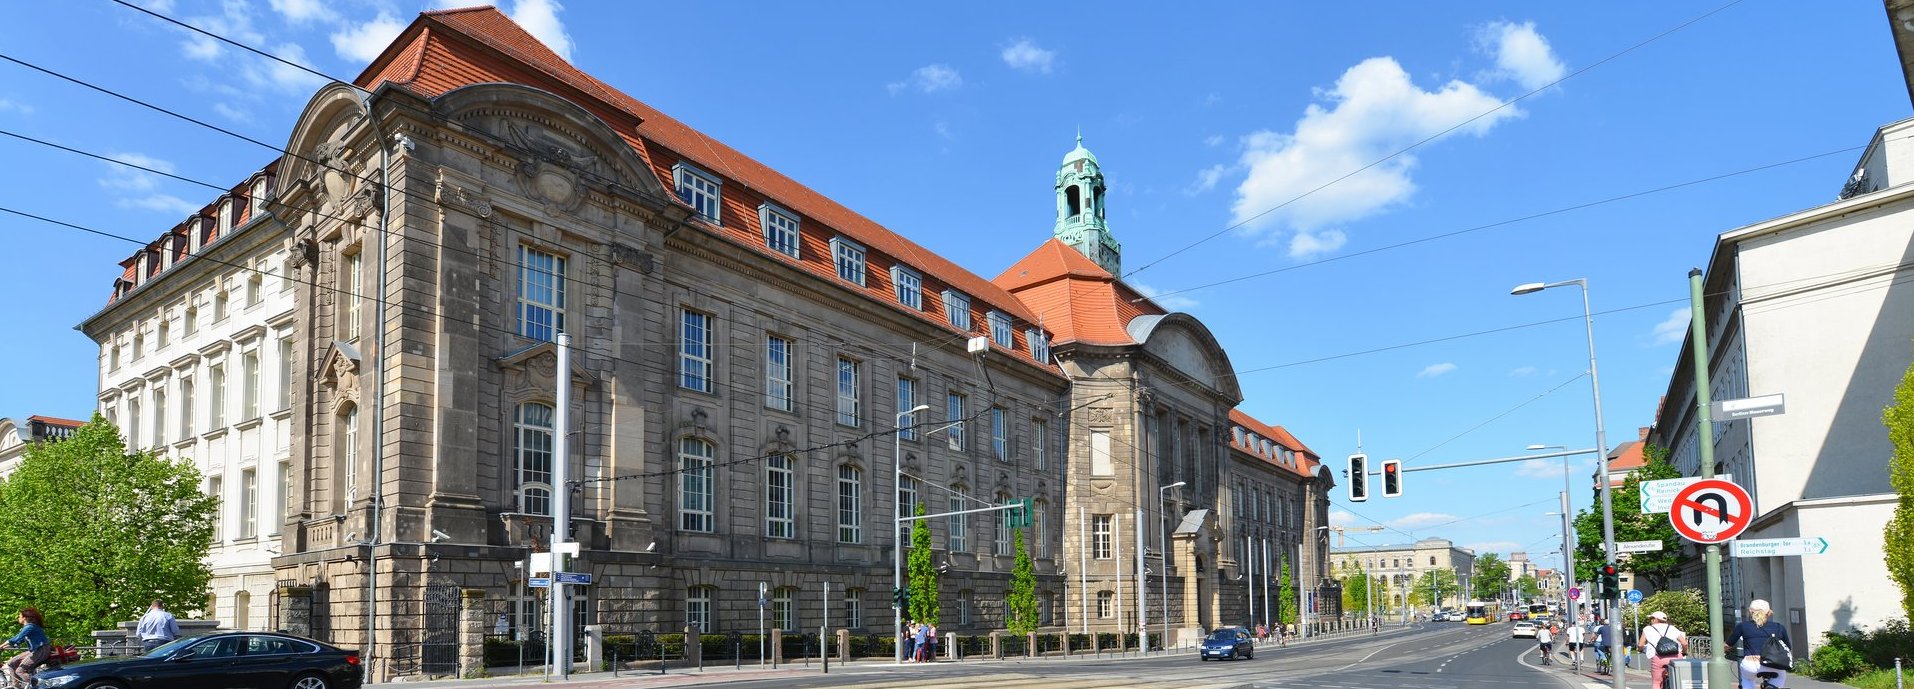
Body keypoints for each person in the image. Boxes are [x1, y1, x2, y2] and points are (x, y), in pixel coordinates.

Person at [1726, 599, 1791, 688]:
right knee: (1780, 676)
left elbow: (1728, 645)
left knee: (1747, 679)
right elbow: (1787, 647)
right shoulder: (1779, 627)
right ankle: (1771, 687)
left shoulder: (1743, 626)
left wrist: (1723, 650)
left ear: (1750, 612)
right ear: (1769, 613)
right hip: (1774, 664)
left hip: (1751, 664)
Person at [1641, 611, 1689, 689]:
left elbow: (1640, 644)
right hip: (1676, 657)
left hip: (1659, 658)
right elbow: (1684, 643)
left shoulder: (1647, 629)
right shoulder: (1672, 628)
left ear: (1655, 619)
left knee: (1657, 682)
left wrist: (1641, 650)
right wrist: (1684, 652)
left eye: (1651, 618)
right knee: (1679, 680)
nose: (1651, 620)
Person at [4, 608, 49, 686]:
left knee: (20, 671)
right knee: (11, 663)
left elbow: (16, 638)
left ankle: (40, 685)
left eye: (19, 616)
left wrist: (1, 645)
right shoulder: (28, 628)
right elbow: (18, 641)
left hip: (41, 650)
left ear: (25, 618)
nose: (18, 618)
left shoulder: (30, 627)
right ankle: (17, 686)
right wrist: (3, 648)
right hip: (34, 650)